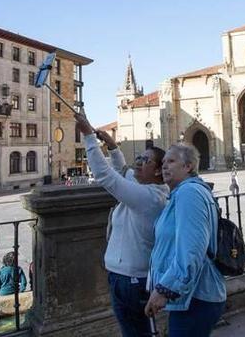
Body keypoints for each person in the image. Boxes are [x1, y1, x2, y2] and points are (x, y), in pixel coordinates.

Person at [75, 112, 169, 337]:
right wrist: (113, 147)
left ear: (158, 171)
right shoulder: (147, 190)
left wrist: (88, 137)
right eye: (139, 158)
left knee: (136, 333)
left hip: (132, 280)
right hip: (123, 277)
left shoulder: (150, 197)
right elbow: (124, 173)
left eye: (145, 161)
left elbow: (107, 177)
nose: (138, 163)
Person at [145, 143, 226, 336]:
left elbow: (191, 250)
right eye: (163, 162)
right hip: (190, 296)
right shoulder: (182, 193)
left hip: (196, 298)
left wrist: (165, 290)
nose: (164, 166)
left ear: (188, 166)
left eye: (171, 161)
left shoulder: (189, 194)